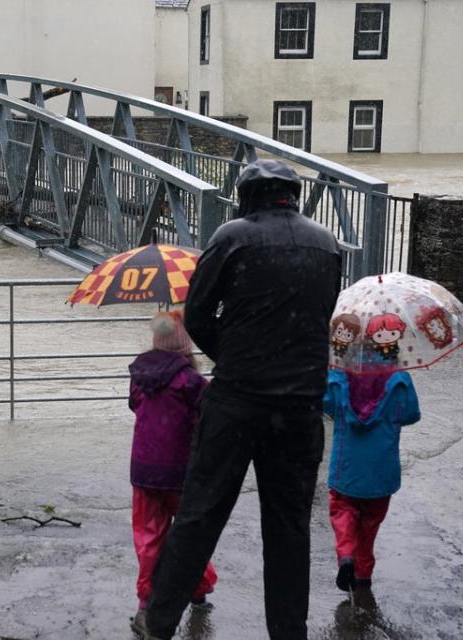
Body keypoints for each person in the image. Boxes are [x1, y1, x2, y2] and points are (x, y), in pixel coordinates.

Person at [133, 159, 342, 640]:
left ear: (248, 196)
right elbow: (321, 312)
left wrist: (239, 357)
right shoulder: (326, 243)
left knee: (200, 514)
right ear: (292, 194)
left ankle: (158, 621)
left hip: (238, 401)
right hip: (301, 406)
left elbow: (199, 316)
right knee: (289, 527)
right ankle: (289, 631)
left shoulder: (230, 237)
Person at [127, 311, 217, 634]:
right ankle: (199, 586)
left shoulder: (140, 373)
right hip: (181, 474)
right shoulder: (192, 382)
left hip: (144, 472)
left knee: (149, 538)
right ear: (184, 344)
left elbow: (136, 406)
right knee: (190, 535)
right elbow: (205, 420)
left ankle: (145, 604)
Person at [323, 364, 420, 592]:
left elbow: (326, 405)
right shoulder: (400, 379)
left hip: (346, 467)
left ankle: (346, 554)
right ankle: (363, 577)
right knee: (369, 525)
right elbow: (412, 414)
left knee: (342, 509)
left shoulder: (339, 375)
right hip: (381, 469)